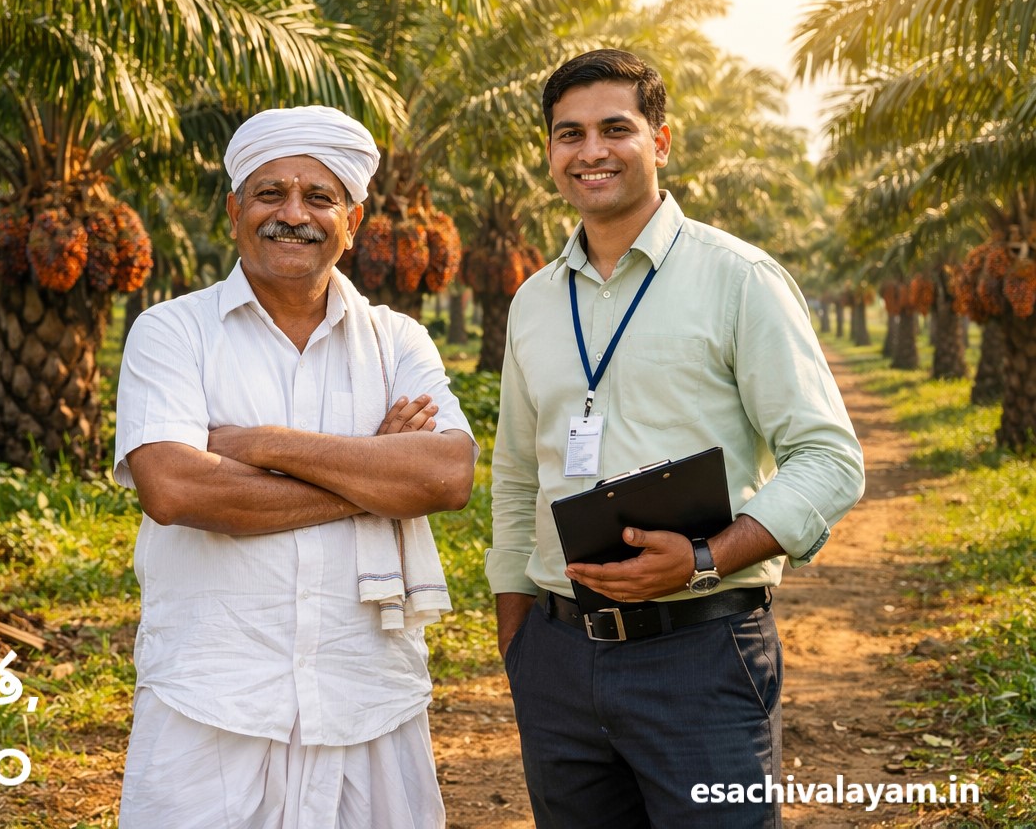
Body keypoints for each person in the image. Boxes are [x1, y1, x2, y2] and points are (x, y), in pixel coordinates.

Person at [487, 49, 865, 827]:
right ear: (550, 153)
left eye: (614, 128)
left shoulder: (738, 279)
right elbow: (518, 475)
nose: (590, 151)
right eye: (569, 134)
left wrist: (702, 561)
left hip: (700, 652)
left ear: (660, 141)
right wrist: (519, 635)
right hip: (558, 656)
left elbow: (828, 458)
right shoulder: (533, 301)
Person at [112, 105, 477, 828]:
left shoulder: (397, 340)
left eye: (319, 197)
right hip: (212, 701)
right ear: (234, 209)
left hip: (366, 695)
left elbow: (445, 478)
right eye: (270, 193)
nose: (293, 214)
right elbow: (176, 487)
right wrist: (372, 474)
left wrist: (260, 444)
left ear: (354, 219)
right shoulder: (171, 332)